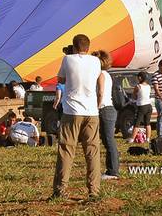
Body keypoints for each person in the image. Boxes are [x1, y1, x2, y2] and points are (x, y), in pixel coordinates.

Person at [51, 34, 102, 200]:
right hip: (91, 111)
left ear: (73, 48)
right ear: (88, 47)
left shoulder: (68, 60)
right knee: (92, 152)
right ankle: (94, 191)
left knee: (66, 150)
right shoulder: (96, 61)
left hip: (72, 111)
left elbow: (61, 79)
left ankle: (60, 190)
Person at [92, 50, 119, 180]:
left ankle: (113, 171)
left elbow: (100, 92)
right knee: (107, 140)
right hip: (108, 109)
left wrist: (96, 107)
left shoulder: (101, 74)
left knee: (109, 141)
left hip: (105, 109)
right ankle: (111, 170)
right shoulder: (107, 74)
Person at [150, 59, 162, 137]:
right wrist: (161, 97)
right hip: (160, 99)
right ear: (159, 66)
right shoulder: (155, 75)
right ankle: (161, 134)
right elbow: (156, 88)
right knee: (161, 116)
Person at [132, 71, 152, 143]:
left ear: (140, 78)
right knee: (147, 123)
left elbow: (134, 96)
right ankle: (148, 139)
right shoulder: (148, 86)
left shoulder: (138, 86)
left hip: (141, 105)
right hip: (149, 105)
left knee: (137, 123)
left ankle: (132, 138)